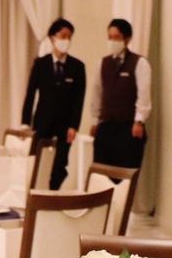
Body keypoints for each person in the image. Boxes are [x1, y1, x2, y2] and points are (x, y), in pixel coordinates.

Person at [21, 18, 85, 190]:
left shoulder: (77, 67)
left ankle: (53, 192)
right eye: (63, 36)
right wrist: (25, 122)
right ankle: (34, 193)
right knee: (37, 160)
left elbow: (79, 99)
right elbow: (30, 94)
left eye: (69, 37)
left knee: (60, 165)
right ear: (52, 37)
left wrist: (74, 125)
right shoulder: (40, 64)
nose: (66, 40)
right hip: (42, 122)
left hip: (65, 125)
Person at [91, 18, 151, 169]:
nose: (112, 41)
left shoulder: (139, 63)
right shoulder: (102, 63)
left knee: (125, 173)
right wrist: (96, 120)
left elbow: (143, 94)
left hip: (128, 126)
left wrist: (139, 121)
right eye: (110, 37)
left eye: (116, 37)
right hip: (106, 126)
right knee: (101, 172)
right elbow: (97, 92)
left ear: (127, 39)